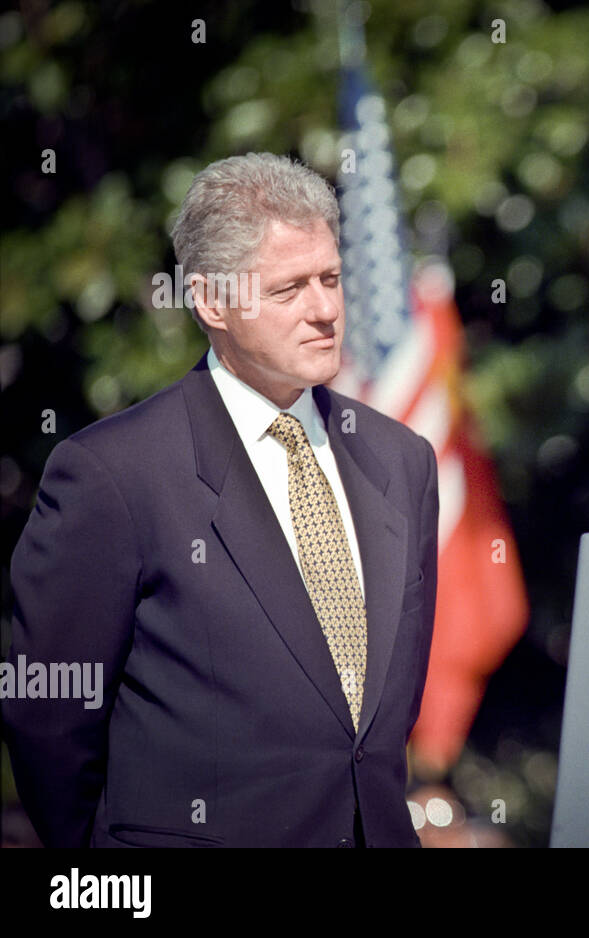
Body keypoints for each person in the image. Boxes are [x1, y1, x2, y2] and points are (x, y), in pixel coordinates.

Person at [3, 153, 439, 847]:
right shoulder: (112, 475)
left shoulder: (401, 460)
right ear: (211, 302)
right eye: (289, 288)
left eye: (330, 278)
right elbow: (50, 715)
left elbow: (377, 718)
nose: (325, 309)